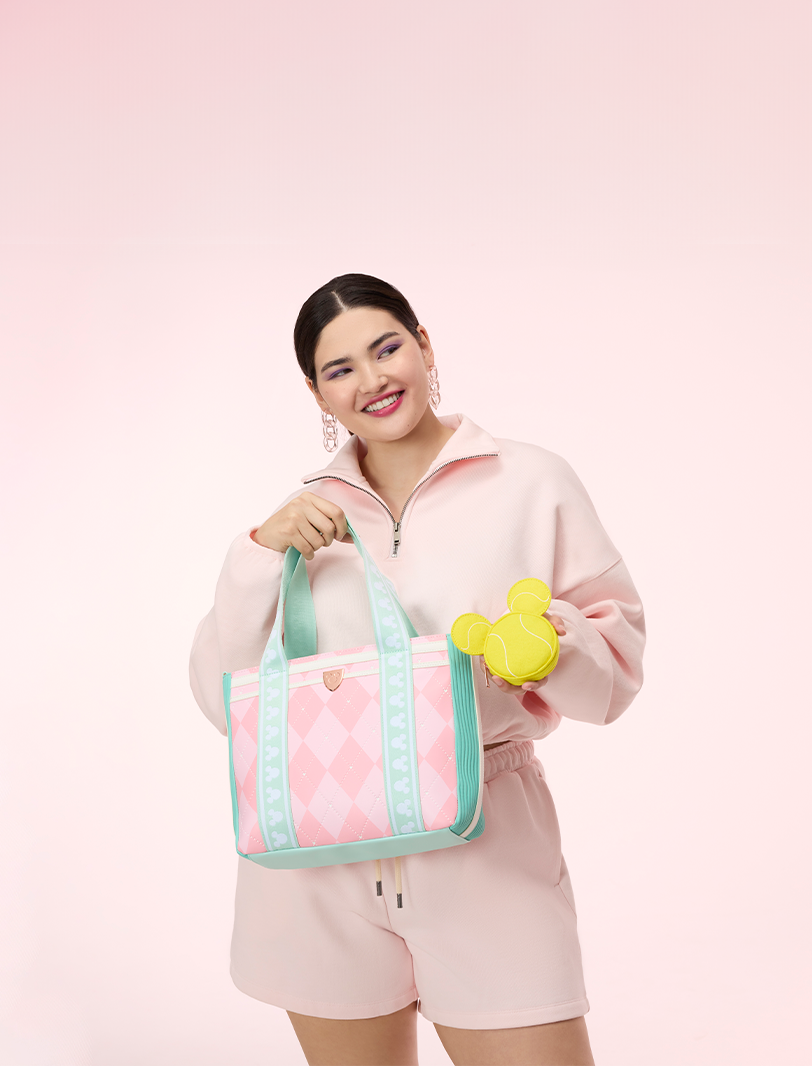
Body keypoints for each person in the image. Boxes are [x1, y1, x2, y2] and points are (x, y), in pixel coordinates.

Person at [189, 273, 646, 1066]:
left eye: (387, 348)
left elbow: (616, 676)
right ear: (316, 392)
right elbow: (223, 700)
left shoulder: (530, 481)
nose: (372, 380)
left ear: (425, 346)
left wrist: (549, 647)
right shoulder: (304, 519)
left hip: (487, 851)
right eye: (340, 369)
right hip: (314, 866)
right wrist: (257, 555)